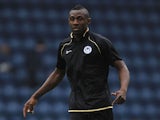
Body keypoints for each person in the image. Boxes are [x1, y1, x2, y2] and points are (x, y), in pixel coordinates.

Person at [23, 5, 130, 120]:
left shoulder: (101, 43)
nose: (75, 22)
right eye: (72, 19)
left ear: (88, 21)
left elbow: (122, 67)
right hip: (77, 109)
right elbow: (58, 73)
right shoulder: (64, 46)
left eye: (80, 18)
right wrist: (36, 96)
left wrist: (123, 90)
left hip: (101, 107)